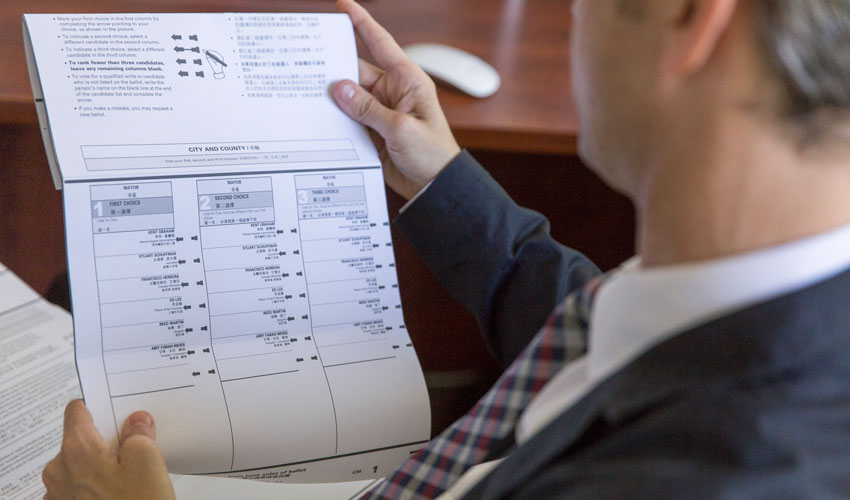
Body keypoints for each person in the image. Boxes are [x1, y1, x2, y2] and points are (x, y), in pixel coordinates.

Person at [42, 0, 850, 498]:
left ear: (688, 17)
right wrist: (445, 182)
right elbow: (595, 328)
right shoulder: (769, 296)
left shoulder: (719, 475)